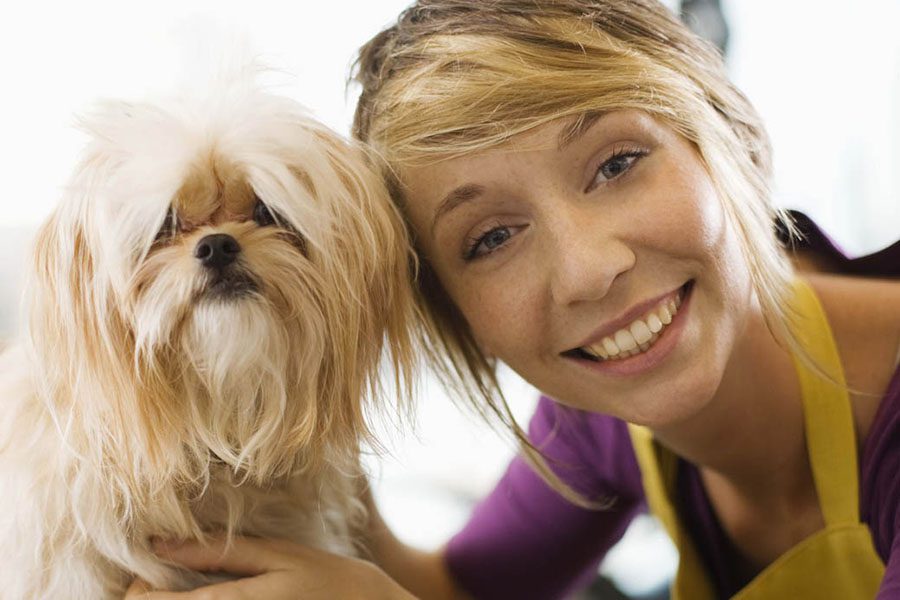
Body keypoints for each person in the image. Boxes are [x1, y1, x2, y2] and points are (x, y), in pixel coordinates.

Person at [127, 1, 900, 598]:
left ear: (735, 138)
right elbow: (463, 592)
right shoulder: (605, 420)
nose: (588, 272)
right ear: (451, 317)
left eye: (618, 163)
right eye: (491, 239)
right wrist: (298, 395)